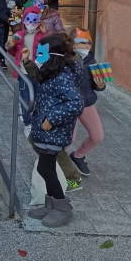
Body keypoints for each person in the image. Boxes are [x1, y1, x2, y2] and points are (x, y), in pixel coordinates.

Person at [23, 34, 83, 227]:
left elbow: (76, 102)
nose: (37, 57)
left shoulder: (63, 76)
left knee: (45, 168)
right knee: (45, 168)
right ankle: (51, 204)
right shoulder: (52, 72)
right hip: (45, 129)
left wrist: (52, 118)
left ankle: (62, 207)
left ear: (53, 55)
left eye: (40, 54)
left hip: (54, 131)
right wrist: (27, 63)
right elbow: (39, 78)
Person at [69, 27, 105, 177]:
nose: (85, 46)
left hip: (86, 102)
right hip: (68, 104)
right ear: (71, 43)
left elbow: (97, 86)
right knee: (67, 141)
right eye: (80, 42)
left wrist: (100, 84)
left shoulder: (91, 60)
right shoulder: (64, 60)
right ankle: (67, 176)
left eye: (88, 42)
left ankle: (78, 156)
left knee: (97, 136)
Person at [6, 6, 46, 131]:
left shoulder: (43, 36)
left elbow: (46, 51)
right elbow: (11, 49)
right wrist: (10, 46)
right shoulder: (19, 35)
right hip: (23, 71)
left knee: (38, 96)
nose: (31, 23)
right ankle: (28, 123)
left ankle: (35, 118)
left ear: (39, 21)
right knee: (25, 97)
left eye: (35, 20)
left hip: (38, 71)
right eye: (28, 19)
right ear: (24, 20)